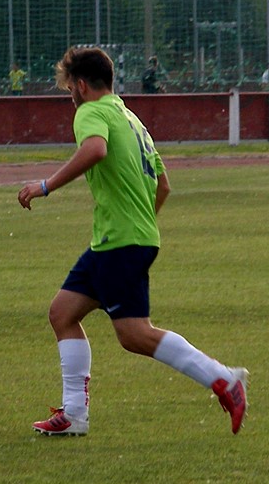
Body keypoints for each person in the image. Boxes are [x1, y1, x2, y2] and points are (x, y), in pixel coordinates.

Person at [16, 46, 248, 437]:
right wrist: (140, 224)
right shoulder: (130, 117)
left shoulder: (90, 111)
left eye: (69, 87)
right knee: (63, 313)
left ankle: (223, 378)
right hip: (119, 239)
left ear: (82, 85)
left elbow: (95, 149)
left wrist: (45, 185)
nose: (69, 95)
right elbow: (164, 185)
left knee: (134, 334)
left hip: (120, 241)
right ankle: (74, 415)